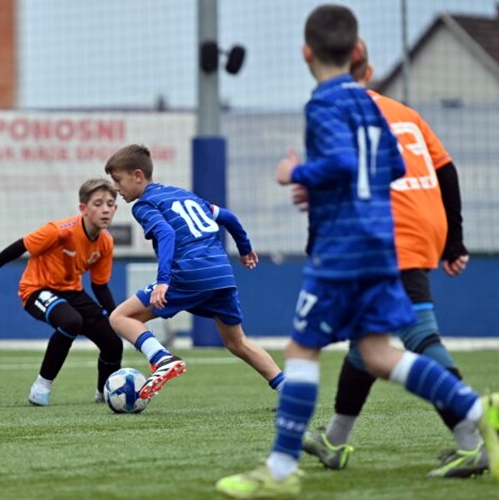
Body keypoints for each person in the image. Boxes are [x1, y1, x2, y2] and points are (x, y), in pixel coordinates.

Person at [215, 5, 499, 499]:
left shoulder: (324, 103)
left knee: (301, 349)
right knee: (377, 354)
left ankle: (281, 470)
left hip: (343, 248)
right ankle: (479, 412)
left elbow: (344, 163)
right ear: (355, 55)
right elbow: (392, 166)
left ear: (306, 53)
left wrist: (296, 174)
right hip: (381, 243)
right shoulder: (372, 103)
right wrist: (339, 188)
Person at [300, 38, 482, 478]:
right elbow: (446, 169)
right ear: (369, 70)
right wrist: (453, 241)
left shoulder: (334, 113)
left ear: (312, 59)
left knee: (417, 333)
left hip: (386, 231)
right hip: (423, 224)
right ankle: (335, 441)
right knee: (367, 339)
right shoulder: (405, 113)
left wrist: (317, 245)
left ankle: (474, 434)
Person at [104, 144, 285, 401]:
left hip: (190, 272)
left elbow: (166, 234)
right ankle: (288, 391)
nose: (116, 187)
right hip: (221, 273)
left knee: (120, 317)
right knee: (237, 343)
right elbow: (228, 217)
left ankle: (161, 358)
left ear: (138, 175)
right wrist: (245, 249)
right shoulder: (184, 195)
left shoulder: (144, 205)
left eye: (118, 180)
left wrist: (163, 281)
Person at [0, 178, 123, 406]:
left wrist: (116, 317)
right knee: (71, 322)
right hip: (37, 289)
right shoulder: (59, 231)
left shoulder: (106, 242)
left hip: (72, 292)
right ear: (83, 209)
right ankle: (41, 386)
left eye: (110, 204)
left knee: (113, 343)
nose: (105, 209)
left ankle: (105, 394)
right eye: (98, 204)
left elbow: (100, 285)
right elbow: (22, 245)